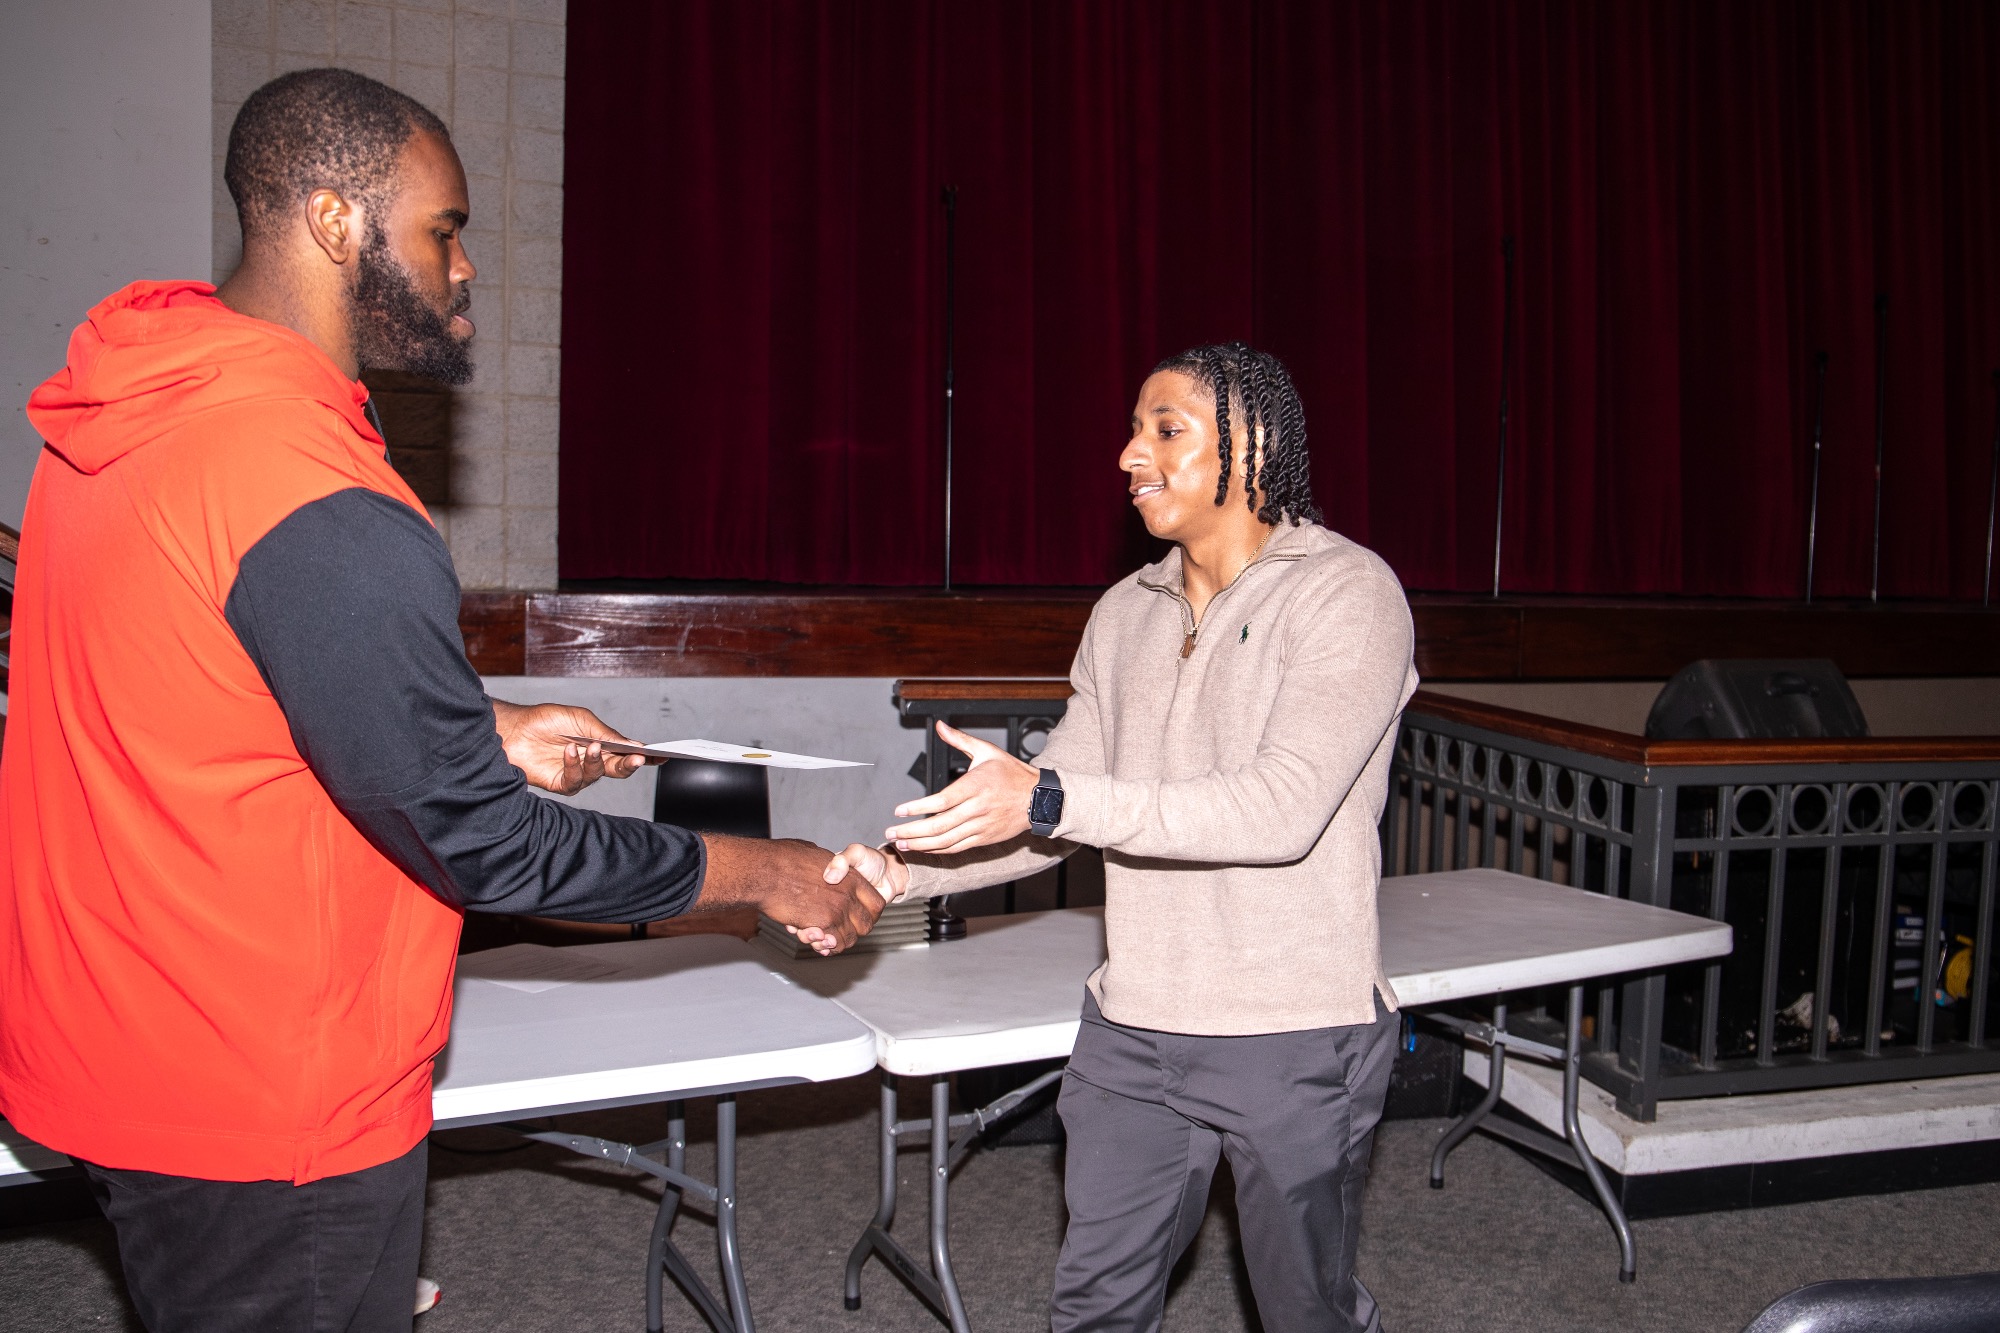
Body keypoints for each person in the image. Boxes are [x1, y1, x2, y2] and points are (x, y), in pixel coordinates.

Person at [0, 68, 881, 1333]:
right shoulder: (308, 487)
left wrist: (482, 726)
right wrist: (768, 874)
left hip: (125, 1031)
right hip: (263, 1096)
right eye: (444, 229)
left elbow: (202, 684)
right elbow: (483, 844)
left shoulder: (138, 407)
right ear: (334, 220)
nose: (464, 270)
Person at [823, 342, 1418, 1332]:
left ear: (1250, 443)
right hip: (1132, 1027)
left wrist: (1051, 798)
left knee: (1304, 1311)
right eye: (1134, 430)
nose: (1129, 455)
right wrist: (895, 874)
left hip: (1292, 1032)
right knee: (1095, 1302)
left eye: (1165, 430)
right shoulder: (1122, 612)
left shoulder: (1345, 593)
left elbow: (1279, 809)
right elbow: (1050, 816)